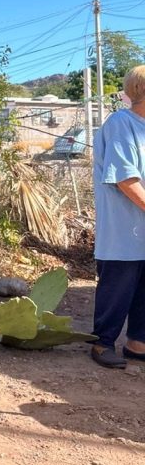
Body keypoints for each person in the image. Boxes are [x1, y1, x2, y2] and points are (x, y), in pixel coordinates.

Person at [90, 64, 145, 368]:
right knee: (117, 289)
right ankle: (103, 343)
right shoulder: (121, 123)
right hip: (123, 230)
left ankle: (137, 344)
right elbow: (126, 179)